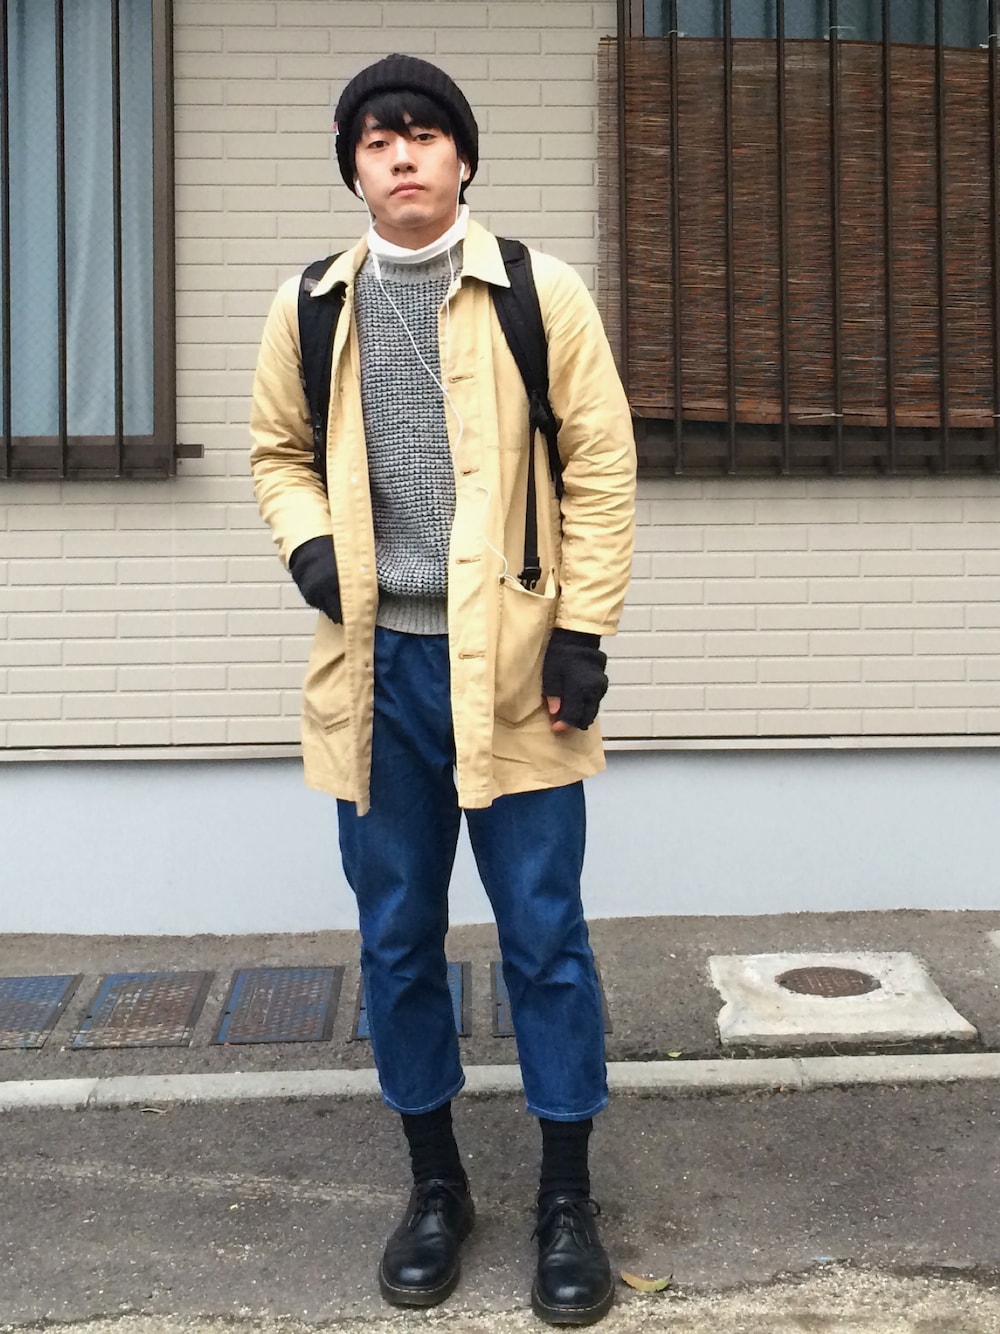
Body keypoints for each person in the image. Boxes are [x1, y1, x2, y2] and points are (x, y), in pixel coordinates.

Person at [250, 54, 636, 1326]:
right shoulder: (312, 304)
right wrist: (310, 545)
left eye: (424, 133)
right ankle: (435, 1186)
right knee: (397, 934)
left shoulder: (536, 290)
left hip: (516, 669)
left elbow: (601, 464)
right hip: (376, 674)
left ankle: (566, 1197)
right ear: (353, 168)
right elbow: (276, 450)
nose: (402, 153)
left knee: (544, 935)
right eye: (377, 139)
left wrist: (582, 632)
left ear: (463, 158)